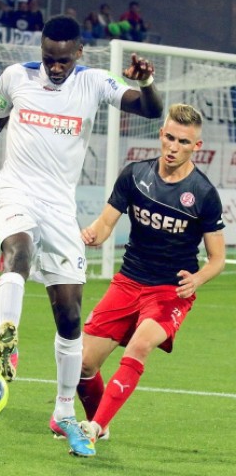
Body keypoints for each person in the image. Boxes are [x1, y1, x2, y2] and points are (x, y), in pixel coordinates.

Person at [0, 15, 163, 457]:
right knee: (17, 249)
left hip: (61, 206)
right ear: (40, 51)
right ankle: (8, 334)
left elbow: (150, 109)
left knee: (70, 315)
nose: (53, 68)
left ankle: (62, 412)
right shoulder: (16, 77)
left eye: (62, 61)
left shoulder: (94, 82)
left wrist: (148, 81)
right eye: (47, 59)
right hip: (16, 189)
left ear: (78, 53)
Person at [70, 103, 225, 447]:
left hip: (169, 291)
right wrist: (91, 234)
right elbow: (105, 224)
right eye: (169, 137)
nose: (173, 147)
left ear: (196, 147)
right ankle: (100, 424)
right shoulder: (134, 175)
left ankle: (94, 429)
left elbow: (218, 259)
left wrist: (197, 280)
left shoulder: (203, 195)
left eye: (183, 142)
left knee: (140, 345)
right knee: (81, 364)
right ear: (160, 135)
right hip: (128, 282)